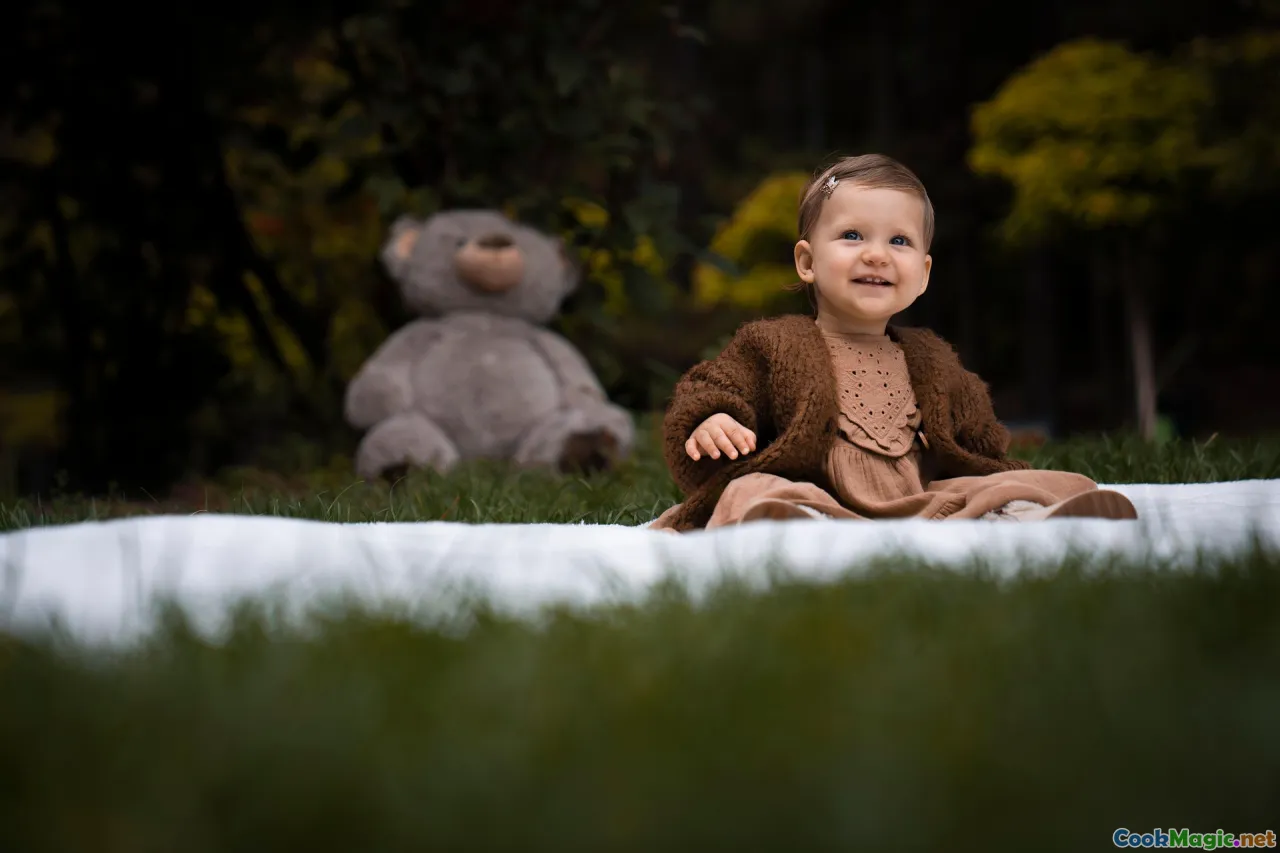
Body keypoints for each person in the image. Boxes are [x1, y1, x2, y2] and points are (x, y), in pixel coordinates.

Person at [651, 153, 1138, 533]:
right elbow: (713, 387)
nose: (877, 255)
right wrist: (712, 419)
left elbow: (979, 437)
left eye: (899, 242)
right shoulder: (774, 344)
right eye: (852, 235)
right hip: (819, 495)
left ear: (923, 274)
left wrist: (996, 473)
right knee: (756, 489)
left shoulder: (932, 359)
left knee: (1029, 484)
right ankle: (796, 529)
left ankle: (1023, 518)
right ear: (807, 261)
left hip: (923, 502)